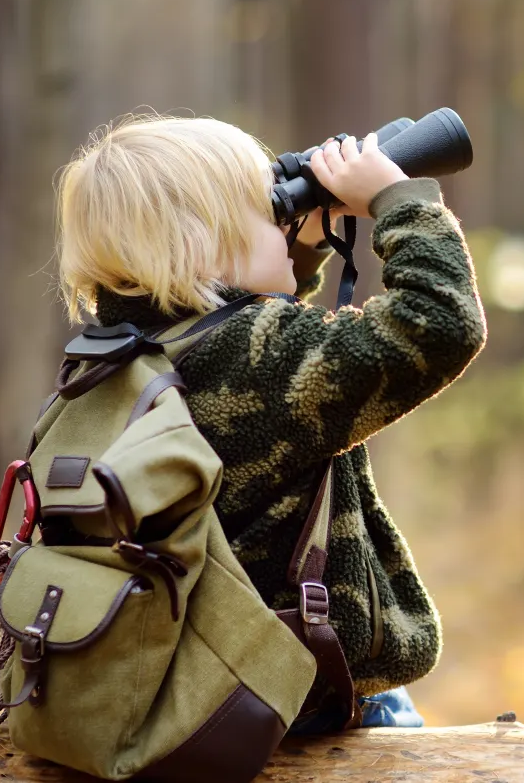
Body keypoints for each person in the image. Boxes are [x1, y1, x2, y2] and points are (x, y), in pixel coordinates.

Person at [53, 114, 486, 732]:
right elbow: (439, 324)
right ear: (203, 246)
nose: (285, 223)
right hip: (307, 701)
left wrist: (304, 244)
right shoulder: (261, 356)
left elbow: (263, 359)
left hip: (207, 685)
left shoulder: (122, 357)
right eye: (270, 211)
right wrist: (398, 200)